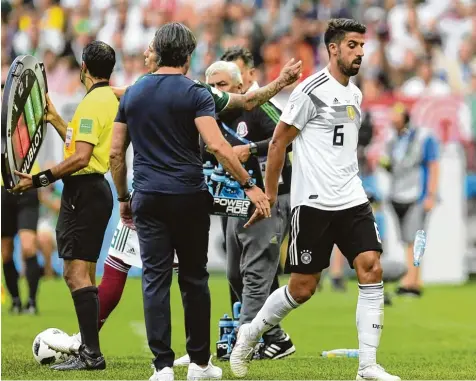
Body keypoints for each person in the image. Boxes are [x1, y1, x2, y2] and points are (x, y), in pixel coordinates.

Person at [229, 19, 400, 381]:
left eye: (362, 45)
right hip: (314, 203)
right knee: (302, 289)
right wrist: (271, 194)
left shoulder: (354, 94)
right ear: (333, 49)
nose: (360, 52)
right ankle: (250, 333)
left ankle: (367, 366)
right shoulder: (310, 91)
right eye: (352, 45)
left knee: (371, 267)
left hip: (351, 198)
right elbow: (278, 142)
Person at [110, 23, 272, 381]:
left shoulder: (134, 93)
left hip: (148, 195)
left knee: (154, 279)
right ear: (187, 56)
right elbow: (216, 145)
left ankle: (163, 367)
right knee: (195, 278)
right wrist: (249, 185)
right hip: (188, 195)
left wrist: (123, 197)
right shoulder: (195, 92)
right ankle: (200, 364)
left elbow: (116, 154)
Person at [12, 40, 118, 371]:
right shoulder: (107, 99)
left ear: (83, 68)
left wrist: (38, 179)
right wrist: (57, 120)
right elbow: (83, 144)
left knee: (75, 274)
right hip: (96, 190)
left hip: (83, 192)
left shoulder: (90, 104)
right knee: (84, 271)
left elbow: (81, 157)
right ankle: (88, 348)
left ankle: (90, 353)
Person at [204, 60, 295, 360]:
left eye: (222, 85)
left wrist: (251, 149)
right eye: (212, 85)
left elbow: (288, 138)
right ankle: (276, 336)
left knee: (255, 274)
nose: (216, 91)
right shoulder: (206, 115)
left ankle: (246, 342)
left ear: (240, 86)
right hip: (232, 204)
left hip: (265, 199)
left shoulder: (260, 108)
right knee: (235, 274)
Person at [380, 103, 440, 297]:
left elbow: (433, 165)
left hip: (417, 194)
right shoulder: (393, 140)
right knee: (407, 240)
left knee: (415, 238)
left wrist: (430, 194)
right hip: (398, 194)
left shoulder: (423, 137)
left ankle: (411, 281)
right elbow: (393, 166)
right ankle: (415, 279)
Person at [1, 162, 42, 314]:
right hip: (3, 190)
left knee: (28, 246)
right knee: (5, 252)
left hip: (27, 185)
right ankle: (15, 300)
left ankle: (32, 302)